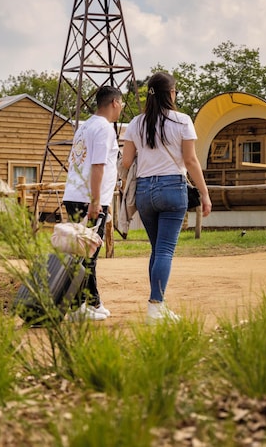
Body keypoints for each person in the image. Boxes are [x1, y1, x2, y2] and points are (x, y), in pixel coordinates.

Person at [121, 72, 212, 324]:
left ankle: (157, 305)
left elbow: (126, 161)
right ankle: (155, 307)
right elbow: (190, 161)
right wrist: (204, 193)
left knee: (157, 249)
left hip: (144, 191)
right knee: (164, 251)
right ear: (170, 93)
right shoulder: (182, 121)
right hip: (172, 187)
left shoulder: (136, 123)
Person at [61, 85, 124, 321]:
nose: (121, 108)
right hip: (89, 199)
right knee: (88, 254)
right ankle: (79, 307)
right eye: (121, 103)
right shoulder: (105, 128)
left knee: (82, 252)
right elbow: (98, 165)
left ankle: (91, 303)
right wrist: (96, 201)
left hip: (74, 194)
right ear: (115, 102)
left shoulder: (85, 126)